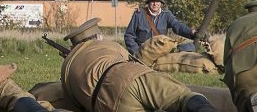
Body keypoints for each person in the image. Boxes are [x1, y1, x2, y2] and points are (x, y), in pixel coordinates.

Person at [60, 18, 217, 112]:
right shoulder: (108, 45)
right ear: (98, 35)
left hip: (104, 103)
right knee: (183, 97)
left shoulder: (67, 66)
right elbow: (133, 60)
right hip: (132, 76)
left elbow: (74, 105)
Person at [124, 0, 197, 55]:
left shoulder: (166, 15)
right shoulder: (139, 15)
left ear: (161, 3)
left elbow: (177, 25)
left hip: (160, 52)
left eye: (157, 1)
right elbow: (129, 35)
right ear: (148, 2)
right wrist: (136, 52)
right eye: (152, 1)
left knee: (187, 48)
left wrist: (190, 32)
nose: (155, 4)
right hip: (142, 53)